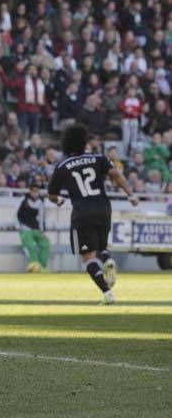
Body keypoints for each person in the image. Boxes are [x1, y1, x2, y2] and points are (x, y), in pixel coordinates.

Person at [47, 125, 139, 305]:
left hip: (82, 212)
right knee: (101, 247)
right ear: (84, 142)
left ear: (66, 144)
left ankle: (107, 294)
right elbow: (116, 174)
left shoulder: (62, 166)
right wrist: (131, 194)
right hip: (103, 209)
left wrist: (59, 201)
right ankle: (108, 258)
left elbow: (51, 194)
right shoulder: (98, 158)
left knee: (88, 256)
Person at [17, 183, 49, 273]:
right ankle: (34, 268)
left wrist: (43, 231)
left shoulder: (40, 202)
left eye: (37, 192)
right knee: (32, 246)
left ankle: (41, 266)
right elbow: (16, 214)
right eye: (33, 191)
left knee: (46, 244)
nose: (35, 193)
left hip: (36, 228)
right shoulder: (23, 200)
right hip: (25, 228)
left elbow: (42, 217)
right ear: (30, 191)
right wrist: (18, 227)